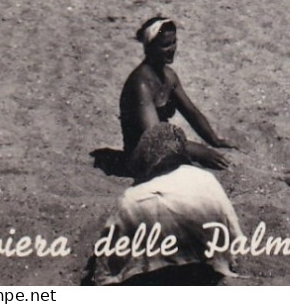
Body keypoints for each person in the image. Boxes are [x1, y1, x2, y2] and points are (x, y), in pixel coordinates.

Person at [90, 123, 244, 285]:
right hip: (202, 268)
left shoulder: (130, 198)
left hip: (154, 274)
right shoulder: (205, 179)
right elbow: (231, 232)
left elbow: (107, 265)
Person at [119, 17, 235, 176]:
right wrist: (202, 151)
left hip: (164, 148)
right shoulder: (141, 84)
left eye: (174, 42)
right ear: (150, 48)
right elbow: (156, 137)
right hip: (140, 158)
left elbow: (191, 112)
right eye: (165, 45)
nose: (172, 49)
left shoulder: (168, 75)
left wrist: (214, 140)